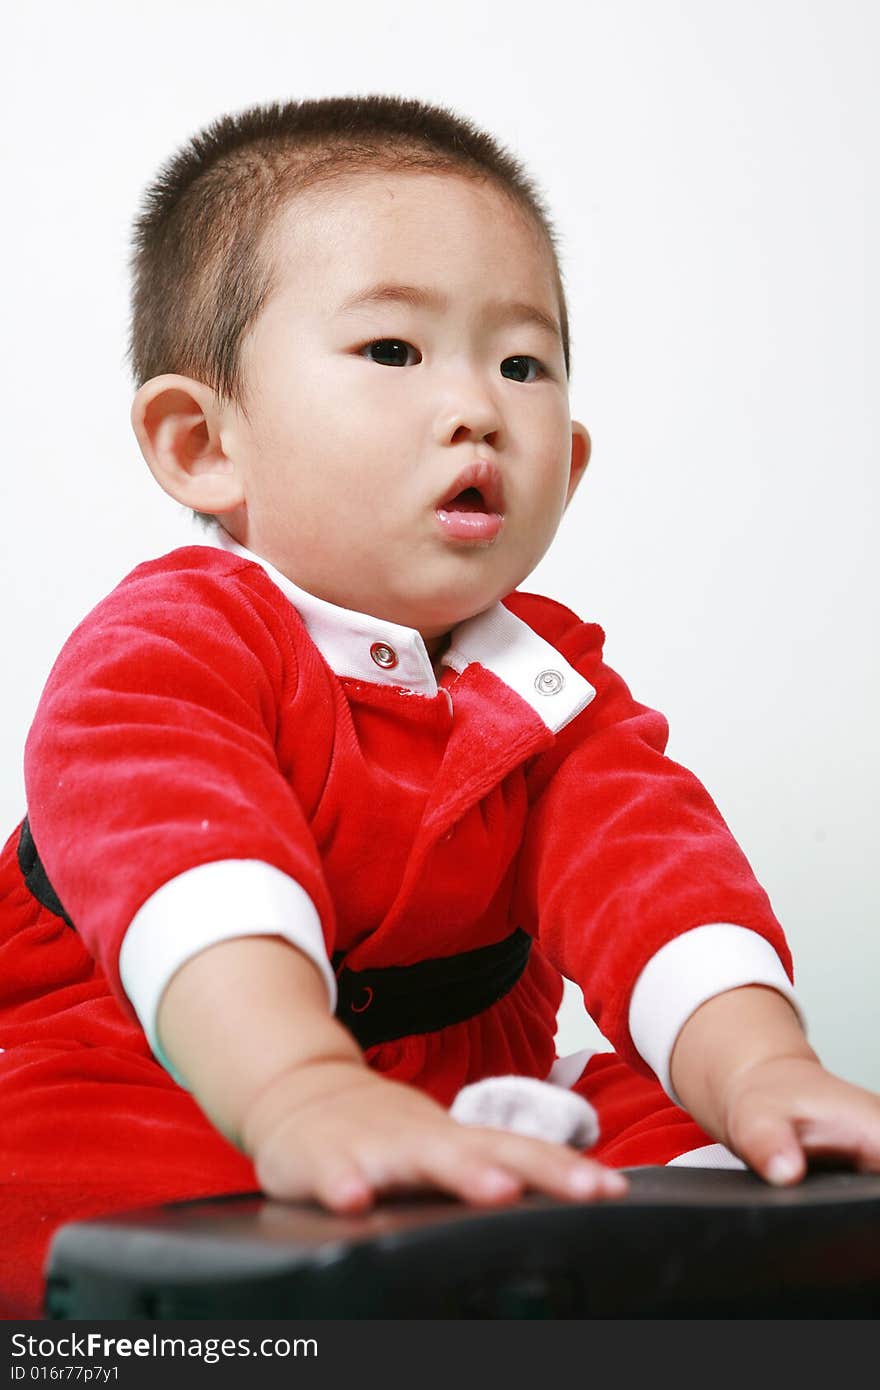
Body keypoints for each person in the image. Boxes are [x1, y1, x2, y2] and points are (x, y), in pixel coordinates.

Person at [1, 94, 878, 1321]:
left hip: (466, 1068)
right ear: (203, 443)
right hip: (161, 1050)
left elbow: (656, 879)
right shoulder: (174, 645)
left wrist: (763, 1069)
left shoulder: (549, 685)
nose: (476, 406)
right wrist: (299, 1086)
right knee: (70, 1182)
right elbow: (185, 875)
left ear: (566, 464)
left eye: (521, 363)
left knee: (730, 1152)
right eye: (395, 353)